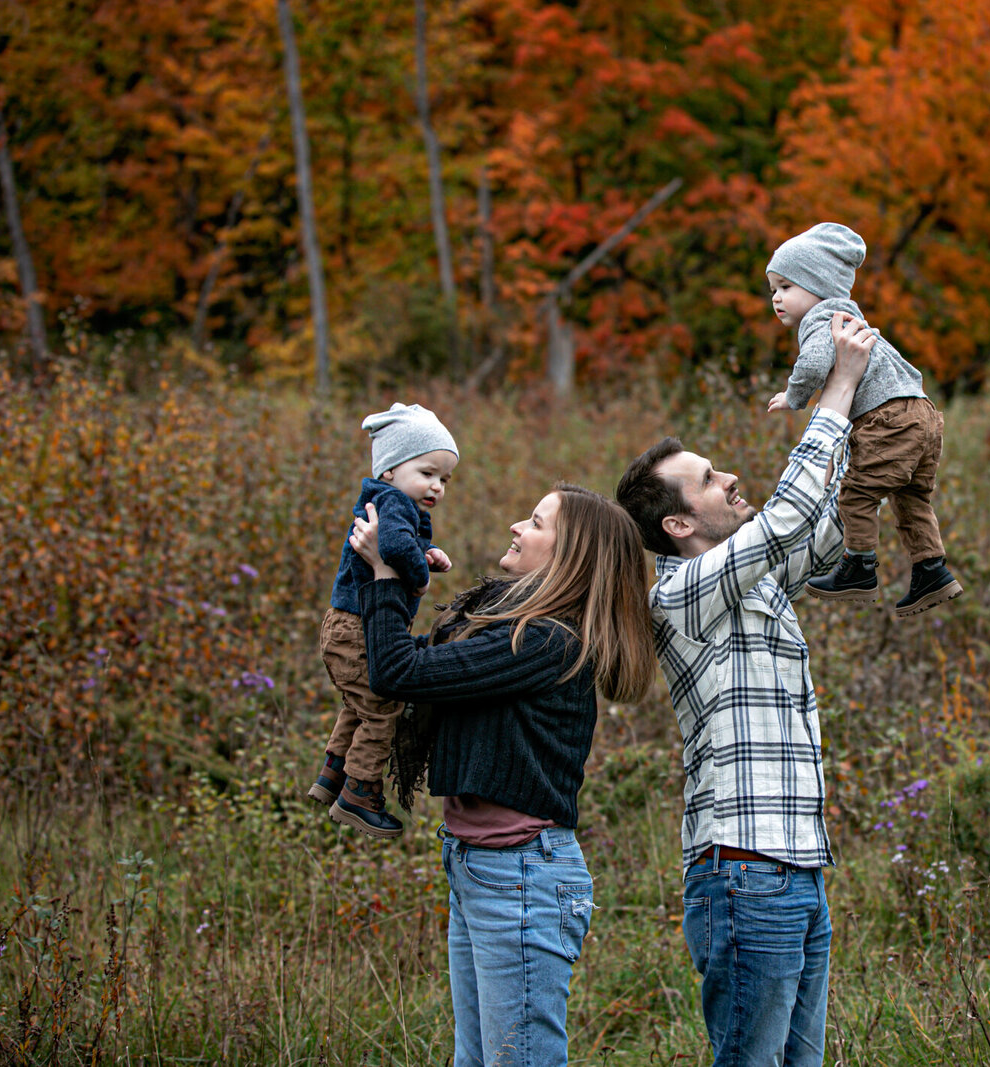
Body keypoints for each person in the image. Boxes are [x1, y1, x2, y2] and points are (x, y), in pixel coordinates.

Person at [614, 314, 875, 1067]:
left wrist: (874, 413)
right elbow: (789, 514)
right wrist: (836, 389)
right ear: (679, 521)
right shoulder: (683, 592)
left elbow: (826, 531)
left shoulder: (751, 583)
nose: (732, 478)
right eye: (709, 479)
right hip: (744, 872)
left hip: (797, 868)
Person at [348, 483, 654, 1067]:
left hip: (520, 875)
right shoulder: (510, 626)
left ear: (570, 557)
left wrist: (388, 577)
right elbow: (420, 667)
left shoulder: (545, 642)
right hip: (480, 864)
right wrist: (396, 573)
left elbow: (397, 670)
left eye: (535, 522)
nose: (517, 525)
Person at [765, 221, 961, 617]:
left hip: (888, 418)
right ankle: (931, 569)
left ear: (818, 284)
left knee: (855, 494)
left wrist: (794, 395)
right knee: (910, 498)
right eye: (772, 290)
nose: (776, 298)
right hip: (922, 414)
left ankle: (859, 567)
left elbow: (815, 362)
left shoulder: (821, 319)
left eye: (786, 287)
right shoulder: (852, 316)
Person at [309, 402, 458, 839]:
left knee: (358, 703)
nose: (437, 486)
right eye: (428, 473)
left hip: (343, 625)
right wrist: (419, 577)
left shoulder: (390, 501)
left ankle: (332, 774)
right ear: (390, 469)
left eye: (444, 479)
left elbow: (397, 545)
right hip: (357, 627)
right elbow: (392, 547)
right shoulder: (393, 503)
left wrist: (425, 557)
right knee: (382, 708)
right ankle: (360, 791)